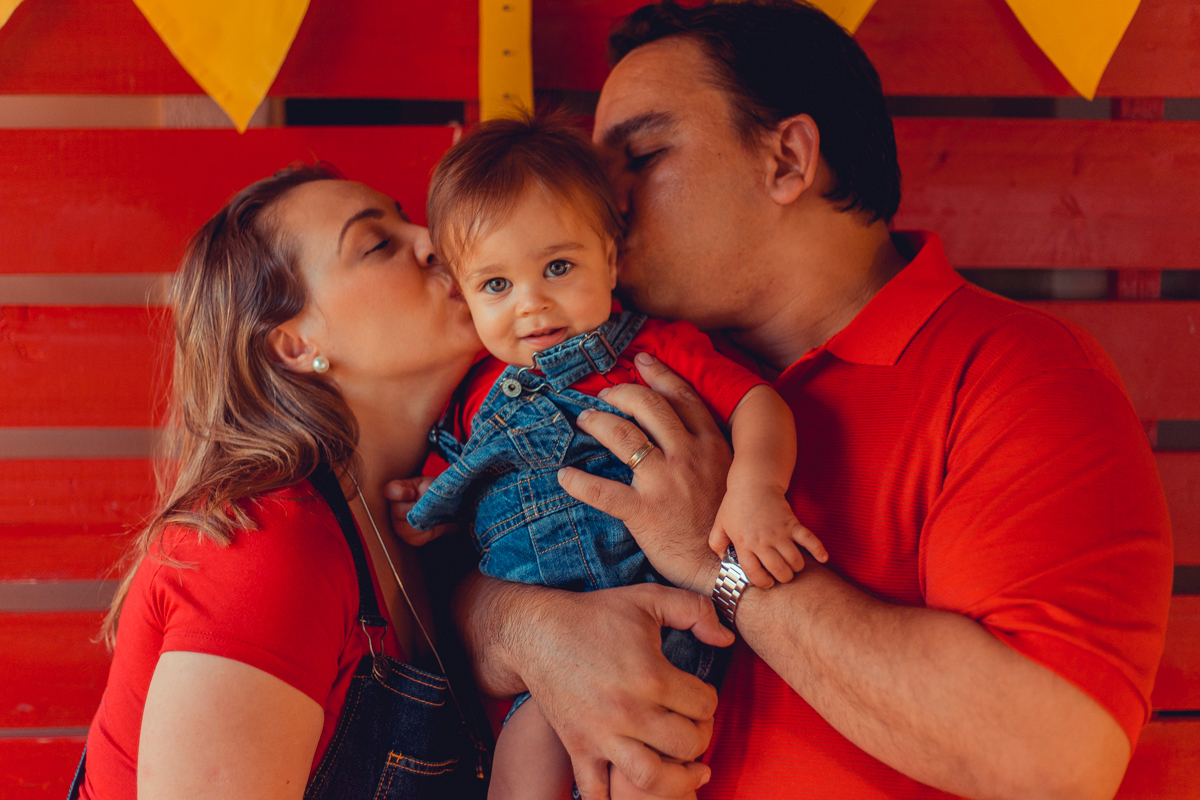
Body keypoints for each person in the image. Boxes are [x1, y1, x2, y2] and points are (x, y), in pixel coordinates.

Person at [421, 2, 1174, 798]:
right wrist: (532, 631)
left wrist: (719, 564)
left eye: (641, 155)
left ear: (787, 159)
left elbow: (1054, 760)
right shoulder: (599, 360)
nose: (604, 199)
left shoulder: (1019, 378)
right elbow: (443, 587)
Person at [400, 113, 828, 800]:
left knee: (641, 773)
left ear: (610, 257)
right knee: (524, 764)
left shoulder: (651, 349)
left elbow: (757, 403)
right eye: (496, 286)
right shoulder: (472, 392)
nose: (532, 305)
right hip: (545, 655)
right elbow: (458, 485)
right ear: (462, 292)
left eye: (558, 267)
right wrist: (427, 505)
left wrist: (756, 489)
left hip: (663, 622)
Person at [76, 164, 492, 800]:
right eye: (377, 243)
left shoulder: (439, 518)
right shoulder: (263, 545)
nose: (433, 239)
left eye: (407, 218)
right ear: (295, 345)